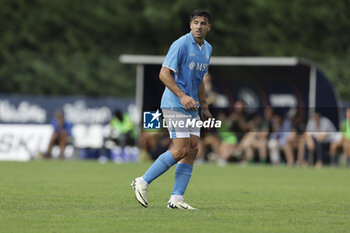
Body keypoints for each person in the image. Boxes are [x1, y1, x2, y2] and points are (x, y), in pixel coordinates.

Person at [131, 9, 213, 210]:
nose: (199, 26)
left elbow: (200, 78)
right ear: (190, 25)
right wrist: (182, 95)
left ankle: (176, 198)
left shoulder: (208, 48)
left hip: (192, 106)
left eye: (203, 23)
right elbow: (164, 74)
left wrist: (204, 105)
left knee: (193, 149)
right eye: (196, 22)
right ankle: (142, 181)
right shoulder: (181, 44)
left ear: (209, 27)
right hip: (175, 103)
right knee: (181, 149)